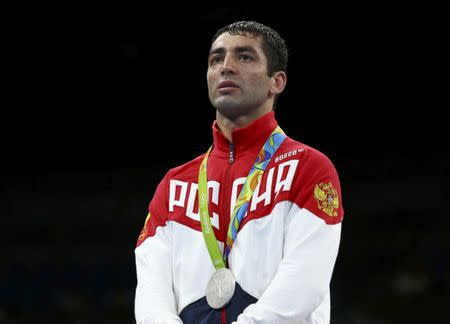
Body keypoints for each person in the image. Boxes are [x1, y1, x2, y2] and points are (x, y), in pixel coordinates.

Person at [134, 20, 344, 324]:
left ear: (277, 82)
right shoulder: (174, 185)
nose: (226, 67)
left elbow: (303, 286)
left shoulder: (308, 168)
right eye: (216, 59)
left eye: (244, 56)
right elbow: (151, 298)